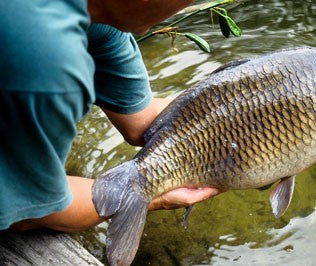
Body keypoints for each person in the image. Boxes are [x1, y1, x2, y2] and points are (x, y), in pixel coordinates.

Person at [0, 0, 220, 232]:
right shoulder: (50, 65)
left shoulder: (102, 19)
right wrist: (153, 196)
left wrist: (240, 115)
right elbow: (34, 213)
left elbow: (141, 122)